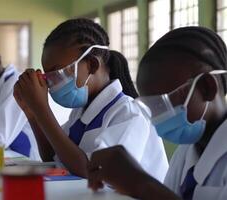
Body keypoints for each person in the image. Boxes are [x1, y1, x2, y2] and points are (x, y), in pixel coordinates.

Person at [13, 18, 168, 179]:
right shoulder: (81, 111)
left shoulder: (129, 115)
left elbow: (93, 171)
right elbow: (53, 156)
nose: (52, 84)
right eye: (49, 77)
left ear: (92, 65)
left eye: (57, 74)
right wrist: (32, 113)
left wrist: (42, 109)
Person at [87, 27, 227, 200]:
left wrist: (141, 183)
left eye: (162, 104)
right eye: (150, 107)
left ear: (207, 88)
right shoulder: (187, 152)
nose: (156, 119)